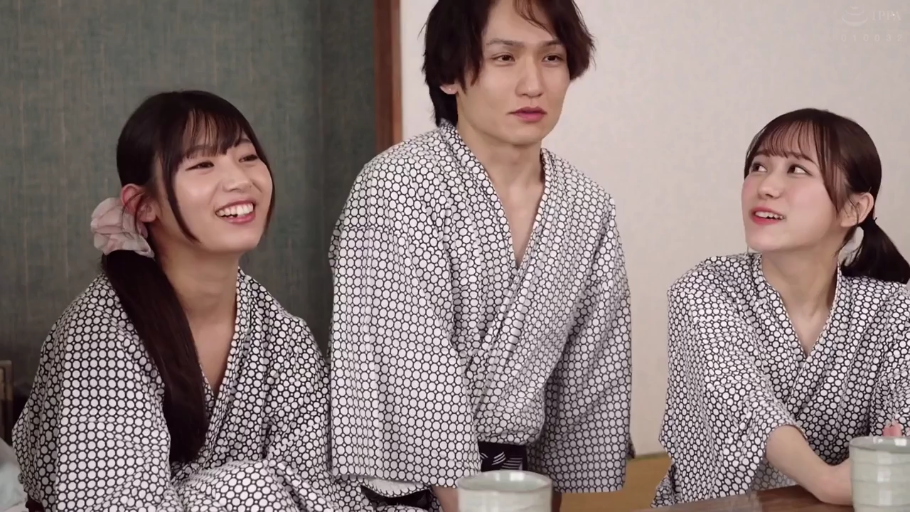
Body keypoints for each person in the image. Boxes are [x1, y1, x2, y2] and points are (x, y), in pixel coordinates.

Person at [327, 0, 633, 510]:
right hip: (397, 490)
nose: (533, 84)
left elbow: (587, 379)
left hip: (518, 487)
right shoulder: (397, 186)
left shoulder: (587, 206)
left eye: (552, 58)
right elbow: (412, 376)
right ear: (450, 74)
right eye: (504, 58)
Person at [13, 91, 370, 511]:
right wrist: (254, 492)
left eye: (247, 157)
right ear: (142, 204)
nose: (240, 180)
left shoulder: (282, 335)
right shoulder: (99, 337)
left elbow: (324, 493)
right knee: (250, 488)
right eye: (203, 165)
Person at [654, 108, 910, 507]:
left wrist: (890, 457)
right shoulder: (704, 288)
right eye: (758, 166)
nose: (766, 186)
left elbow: (897, 433)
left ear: (854, 209)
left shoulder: (893, 309)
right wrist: (825, 480)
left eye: (797, 170)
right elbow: (743, 401)